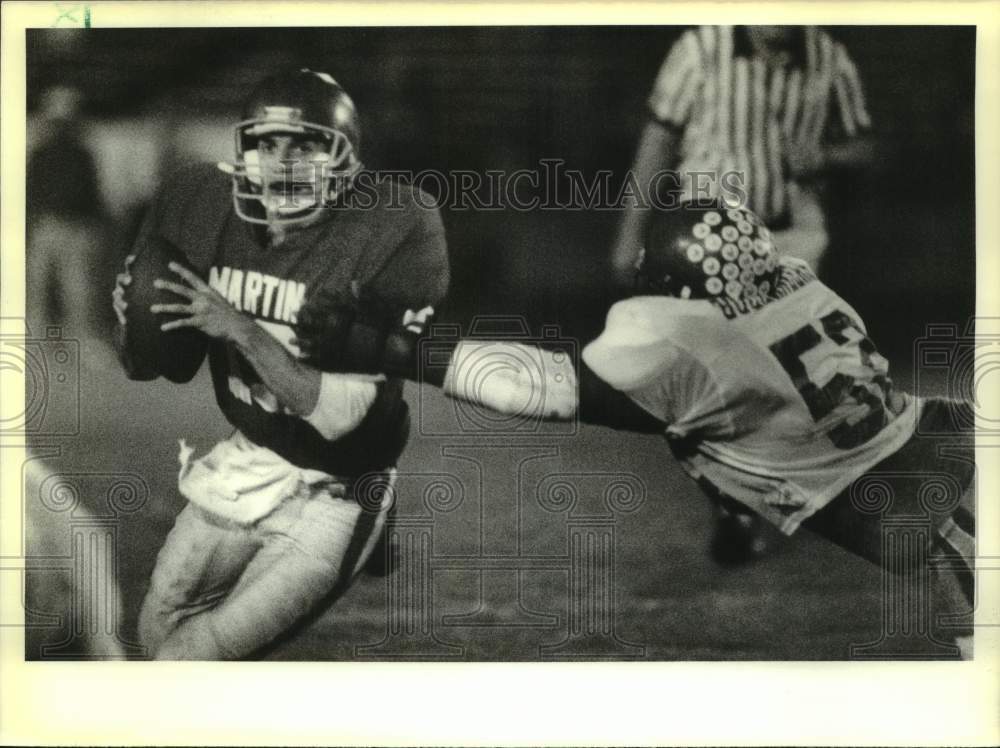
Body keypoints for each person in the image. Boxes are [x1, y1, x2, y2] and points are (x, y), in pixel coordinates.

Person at [309, 199, 975, 658]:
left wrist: (384, 349)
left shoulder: (698, 352)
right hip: (953, 438)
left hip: (944, 512)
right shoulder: (798, 284)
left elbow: (538, 383)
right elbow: (802, 241)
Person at [111, 69, 449, 660]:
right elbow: (158, 366)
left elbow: (340, 419)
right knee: (154, 638)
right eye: (268, 145)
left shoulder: (388, 229)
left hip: (337, 487)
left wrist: (238, 325)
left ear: (343, 159)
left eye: (305, 145)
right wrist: (135, 319)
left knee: (192, 660)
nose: (283, 162)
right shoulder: (203, 209)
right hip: (248, 459)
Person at [610, 26, 876, 562]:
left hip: (789, 237)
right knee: (712, 383)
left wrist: (825, 157)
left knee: (787, 384)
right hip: (707, 241)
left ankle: (758, 492)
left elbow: (863, 145)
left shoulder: (826, 56)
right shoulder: (700, 49)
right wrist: (629, 235)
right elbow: (657, 141)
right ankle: (730, 504)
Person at [27, 85, 113, 361]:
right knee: (39, 288)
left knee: (79, 291)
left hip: (77, 229)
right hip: (48, 226)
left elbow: (92, 194)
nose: (61, 126)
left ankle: (85, 343)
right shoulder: (41, 153)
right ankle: (36, 343)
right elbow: (31, 193)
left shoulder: (82, 154)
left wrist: (95, 229)